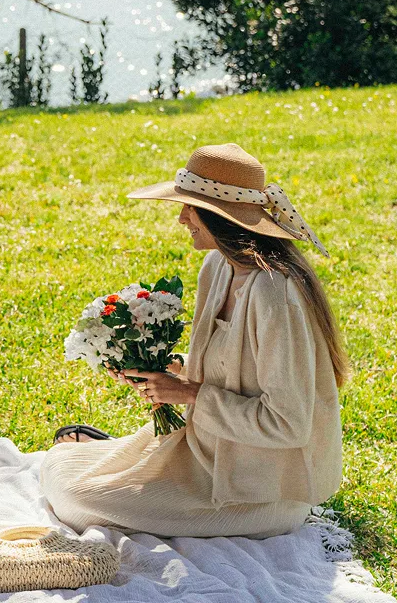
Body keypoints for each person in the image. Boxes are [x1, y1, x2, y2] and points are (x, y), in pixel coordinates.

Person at [41, 144, 347, 539]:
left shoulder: (275, 294)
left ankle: (124, 458)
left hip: (260, 490)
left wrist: (188, 393)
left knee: (76, 499)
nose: (181, 216)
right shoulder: (217, 266)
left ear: (220, 217)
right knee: (57, 468)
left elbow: (288, 425)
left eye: (190, 207)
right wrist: (167, 371)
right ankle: (125, 456)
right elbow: (228, 368)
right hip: (208, 453)